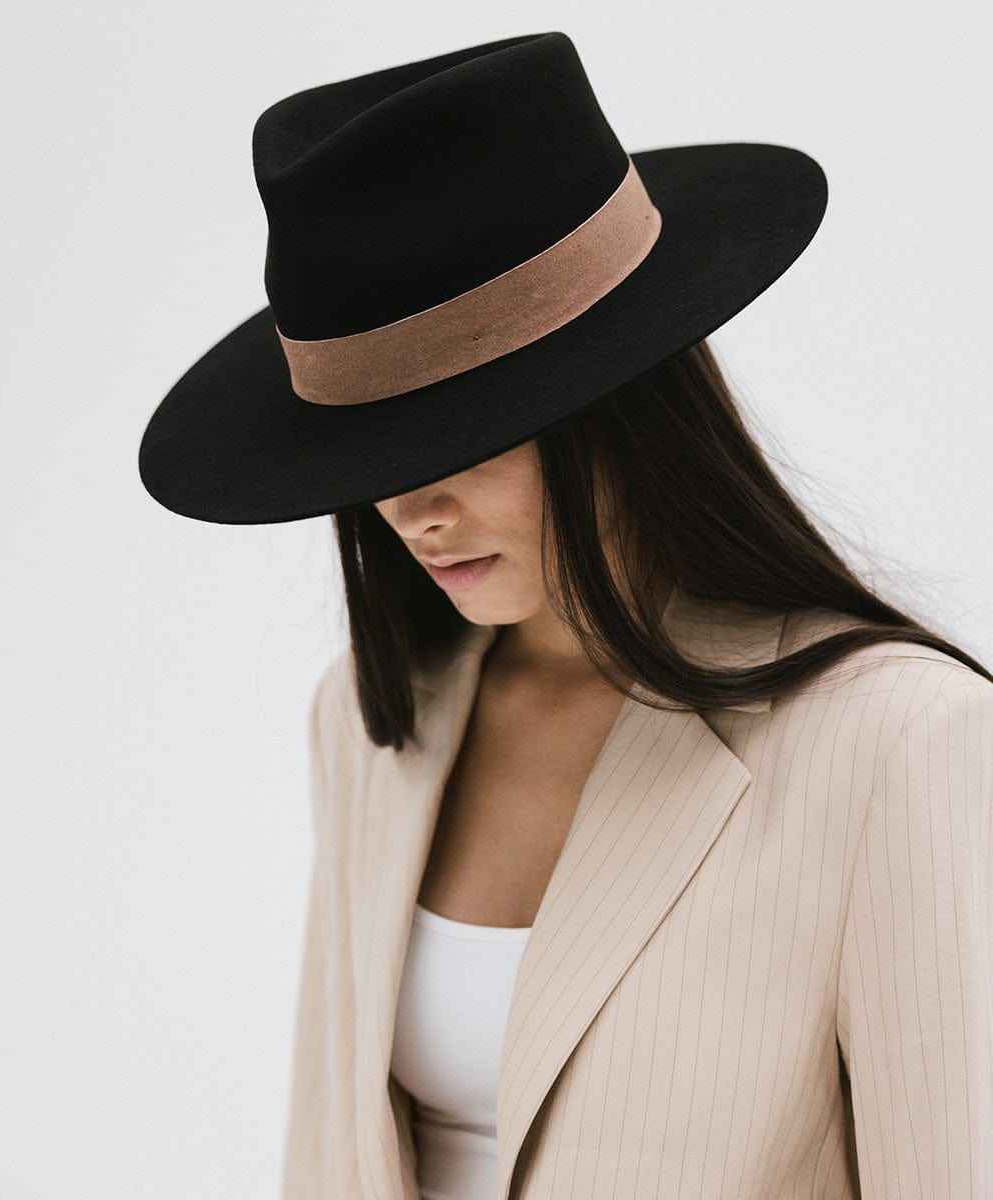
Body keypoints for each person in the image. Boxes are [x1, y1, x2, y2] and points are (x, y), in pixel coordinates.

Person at [137, 31, 993, 1200]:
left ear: (621, 407)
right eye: (376, 452)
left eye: (465, 437)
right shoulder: (378, 714)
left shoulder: (900, 741)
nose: (412, 511)